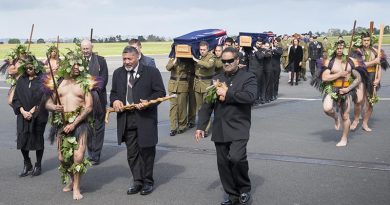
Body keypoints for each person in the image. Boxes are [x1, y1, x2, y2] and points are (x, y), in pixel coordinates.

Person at [195, 47, 257, 205]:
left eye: (230, 60)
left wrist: (227, 93)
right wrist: (201, 126)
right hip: (220, 127)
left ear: (237, 60)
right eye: (224, 61)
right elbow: (207, 105)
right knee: (223, 164)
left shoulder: (248, 77)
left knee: (236, 158)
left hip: (239, 126)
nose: (227, 63)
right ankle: (231, 194)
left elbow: (250, 97)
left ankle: (244, 189)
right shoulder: (216, 78)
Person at [45, 48, 101, 200]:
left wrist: (75, 123)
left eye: (79, 64)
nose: (77, 67)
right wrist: (53, 107)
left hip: (80, 123)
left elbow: (88, 107)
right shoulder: (58, 83)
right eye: (73, 64)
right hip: (61, 123)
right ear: (67, 66)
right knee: (63, 159)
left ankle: (76, 187)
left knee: (78, 157)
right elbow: (48, 102)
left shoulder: (85, 83)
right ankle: (72, 180)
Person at [110, 46, 165, 196]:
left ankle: (148, 181)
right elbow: (114, 93)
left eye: (129, 59)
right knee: (132, 153)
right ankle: (137, 181)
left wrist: (148, 101)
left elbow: (160, 92)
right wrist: (114, 101)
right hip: (126, 118)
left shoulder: (151, 72)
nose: (126, 62)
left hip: (145, 117)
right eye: (124, 59)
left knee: (146, 151)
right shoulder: (118, 73)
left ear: (138, 57)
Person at [312, 40, 363, 147]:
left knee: (345, 116)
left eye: (341, 48)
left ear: (345, 49)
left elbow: (358, 78)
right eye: (338, 48)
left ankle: (344, 138)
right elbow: (325, 78)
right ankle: (335, 118)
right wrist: (339, 73)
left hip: (346, 90)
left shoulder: (350, 62)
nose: (339, 50)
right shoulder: (330, 61)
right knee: (327, 109)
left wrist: (348, 88)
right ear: (335, 49)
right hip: (332, 88)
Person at [12, 55, 48, 177]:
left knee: (38, 138)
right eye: (26, 68)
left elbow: (44, 98)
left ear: (36, 67)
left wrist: (33, 110)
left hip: (38, 115)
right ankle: (27, 163)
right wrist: (22, 111)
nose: (29, 70)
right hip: (23, 115)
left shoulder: (42, 80)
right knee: (22, 139)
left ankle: (38, 164)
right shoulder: (21, 80)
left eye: (31, 67)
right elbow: (16, 98)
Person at [350, 32, 389, 131]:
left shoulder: (376, 51)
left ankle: (365, 123)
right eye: (364, 40)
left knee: (371, 102)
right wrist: (374, 61)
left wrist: (378, 79)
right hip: (362, 77)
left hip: (372, 77)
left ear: (370, 40)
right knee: (359, 100)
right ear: (362, 41)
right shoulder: (357, 51)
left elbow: (378, 66)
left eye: (368, 40)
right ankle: (355, 120)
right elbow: (359, 65)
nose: (366, 42)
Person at [80, 39, 108, 165]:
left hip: (98, 98)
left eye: (87, 48)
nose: (85, 51)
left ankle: (96, 155)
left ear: (92, 48)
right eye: (83, 49)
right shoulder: (77, 61)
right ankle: (90, 152)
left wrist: (91, 86)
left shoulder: (101, 61)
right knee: (87, 127)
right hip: (82, 100)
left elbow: (104, 79)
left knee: (98, 126)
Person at [192, 41, 215, 137]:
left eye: (204, 49)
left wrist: (196, 60)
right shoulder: (199, 56)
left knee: (206, 107)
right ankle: (200, 126)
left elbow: (209, 65)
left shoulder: (211, 57)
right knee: (199, 107)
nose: (202, 51)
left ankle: (205, 129)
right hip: (198, 84)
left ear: (207, 49)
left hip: (207, 84)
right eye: (200, 49)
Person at [166, 57, 192, 136]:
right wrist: (175, 60)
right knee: (173, 107)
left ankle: (182, 126)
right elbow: (168, 67)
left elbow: (190, 70)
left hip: (183, 85)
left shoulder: (188, 60)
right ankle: (173, 128)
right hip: (173, 85)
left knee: (182, 106)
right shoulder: (172, 59)